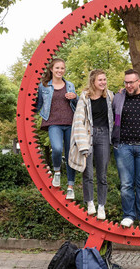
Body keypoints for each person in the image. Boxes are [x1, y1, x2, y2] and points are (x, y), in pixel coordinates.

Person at [112, 69, 140, 228]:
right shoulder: (118, 97)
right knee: (126, 184)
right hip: (123, 146)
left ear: (139, 82)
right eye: (126, 82)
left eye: (131, 82)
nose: (129, 85)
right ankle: (129, 215)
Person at [69, 69, 114, 220]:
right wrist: (82, 145)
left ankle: (101, 205)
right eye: (100, 80)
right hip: (89, 135)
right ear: (93, 82)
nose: (103, 82)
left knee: (102, 174)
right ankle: (90, 202)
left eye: (104, 79)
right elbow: (78, 121)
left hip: (104, 135)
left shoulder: (110, 96)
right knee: (87, 172)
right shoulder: (85, 98)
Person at [35, 58, 78, 200]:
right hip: (53, 123)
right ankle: (57, 172)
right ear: (51, 69)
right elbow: (38, 104)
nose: (60, 71)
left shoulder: (70, 85)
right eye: (57, 68)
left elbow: (77, 106)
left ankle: (70, 187)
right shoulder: (44, 86)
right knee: (57, 148)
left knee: (71, 155)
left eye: (62, 68)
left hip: (70, 123)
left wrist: (75, 97)